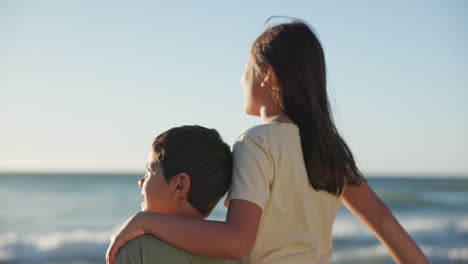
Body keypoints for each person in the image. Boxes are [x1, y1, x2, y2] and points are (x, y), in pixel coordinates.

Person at [107, 18, 430, 264]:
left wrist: (146, 220)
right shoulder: (328, 148)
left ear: (267, 74)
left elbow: (237, 241)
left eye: (246, 69)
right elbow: (383, 219)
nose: (241, 79)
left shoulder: (257, 143)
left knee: (138, 249)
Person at [114, 125, 246, 264]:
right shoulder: (234, 257)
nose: (141, 181)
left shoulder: (137, 250)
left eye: (149, 172)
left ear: (179, 185)